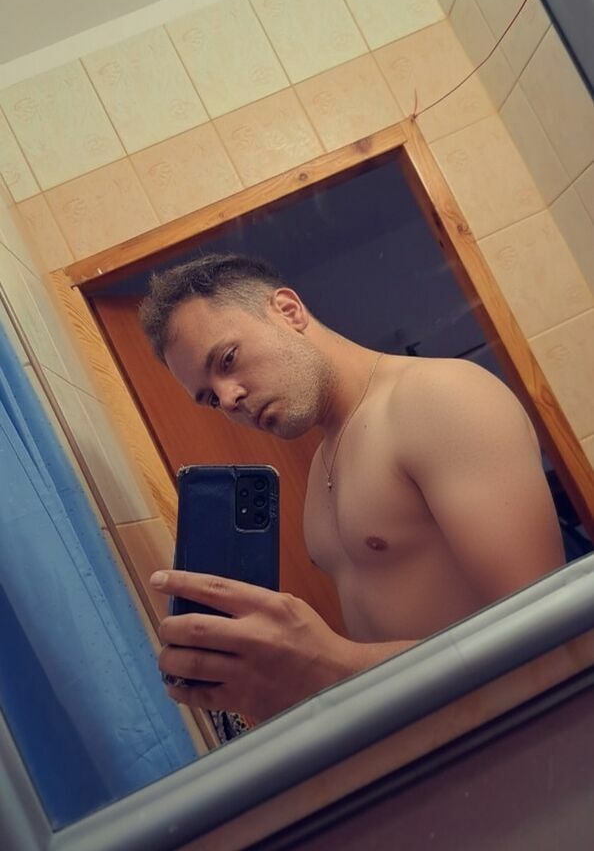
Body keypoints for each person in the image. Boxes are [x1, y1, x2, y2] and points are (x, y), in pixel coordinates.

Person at [139, 253, 565, 722]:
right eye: (208, 398)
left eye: (227, 359)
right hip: (445, 745)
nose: (228, 398)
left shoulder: (439, 397)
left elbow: (547, 628)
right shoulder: (322, 467)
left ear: (288, 311)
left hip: (528, 735)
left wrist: (334, 665)